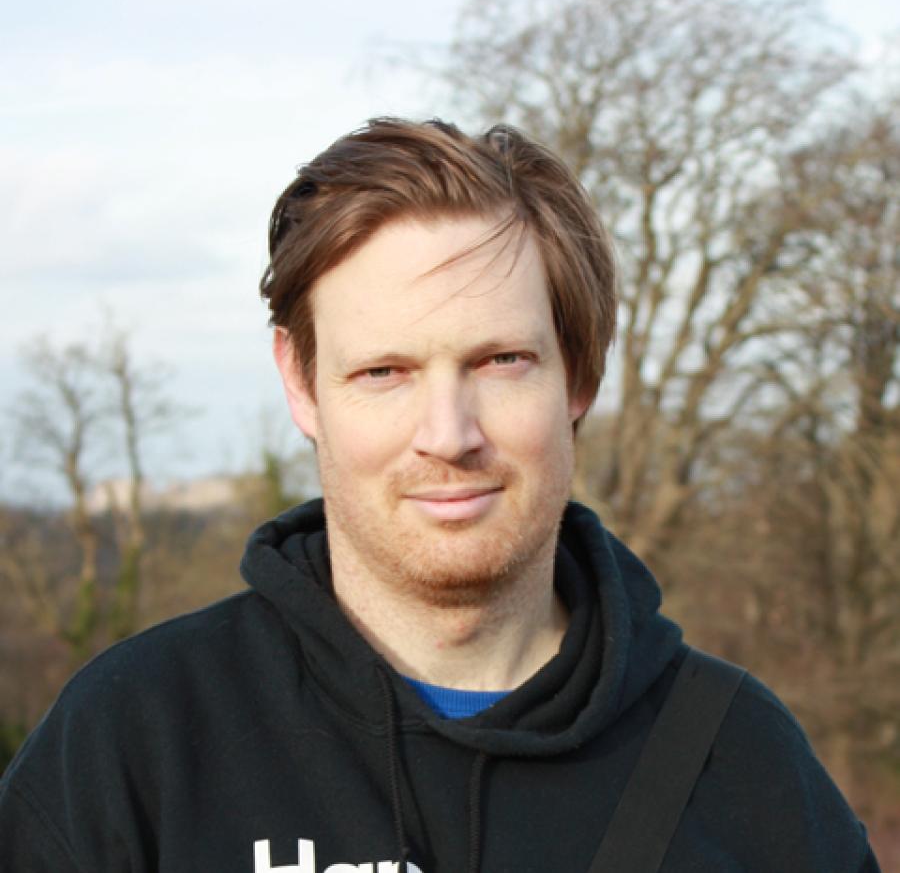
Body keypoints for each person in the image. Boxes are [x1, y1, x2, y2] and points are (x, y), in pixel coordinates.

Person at [0, 118, 880, 872]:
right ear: (301, 383)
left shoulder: (744, 764)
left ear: (577, 374)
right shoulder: (132, 741)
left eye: (500, 361)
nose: (448, 433)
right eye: (385, 371)